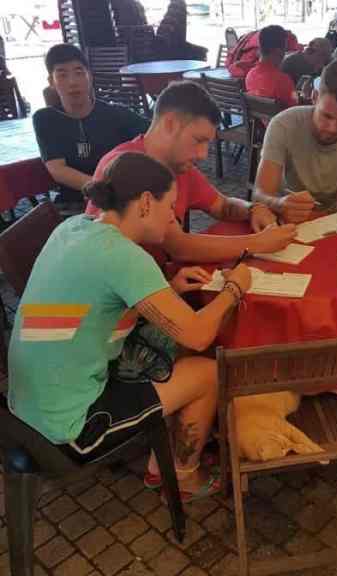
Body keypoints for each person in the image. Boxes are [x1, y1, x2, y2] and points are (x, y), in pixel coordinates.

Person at [9, 152, 253, 500]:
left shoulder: (74, 227)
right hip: (68, 429)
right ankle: (182, 476)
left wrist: (169, 291)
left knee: (172, 343)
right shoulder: (126, 257)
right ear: (146, 202)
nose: (173, 218)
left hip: (27, 409)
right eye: (170, 206)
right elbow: (200, 335)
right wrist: (235, 289)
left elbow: (98, 305)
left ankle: (166, 455)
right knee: (207, 371)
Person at [87, 81, 295, 265]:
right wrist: (258, 243)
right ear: (169, 124)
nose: (203, 155)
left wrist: (253, 208)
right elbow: (179, 247)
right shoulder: (126, 166)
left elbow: (222, 206)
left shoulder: (179, 166)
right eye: (198, 140)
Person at [253, 59, 337, 222]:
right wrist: (279, 204)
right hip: (286, 216)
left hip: (334, 218)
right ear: (314, 97)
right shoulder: (283, 124)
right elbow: (260, 195)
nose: (333, 128)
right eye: (327, 116)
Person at [33, 44, 149, 209]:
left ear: (90, 76)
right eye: (62, 75)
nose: (73, 82)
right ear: (51, 82)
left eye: (79, 72)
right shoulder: (45, 119)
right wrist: (106, 191)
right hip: (74, 204)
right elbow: (58, 169)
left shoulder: (116, 113)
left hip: (121, 201)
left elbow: (155, 134)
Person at [245, 25, 298, 107]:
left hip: (262, 114)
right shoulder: (283, 80)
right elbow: (295, 104)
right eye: (285, 49)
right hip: (283, 115)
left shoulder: (250, 75)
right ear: (278, 51)